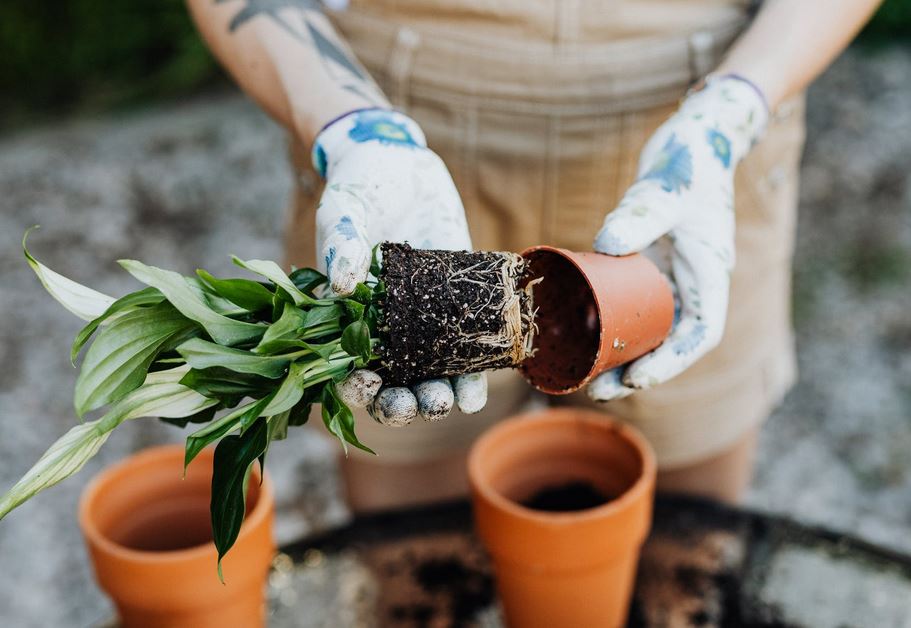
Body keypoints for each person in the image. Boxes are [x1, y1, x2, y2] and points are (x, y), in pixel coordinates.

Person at [187, 0, 883, 510]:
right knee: (414, 558)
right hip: (400, 139)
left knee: (681, 556)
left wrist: (731, 109)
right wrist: (347, 126)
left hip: (686, 140)